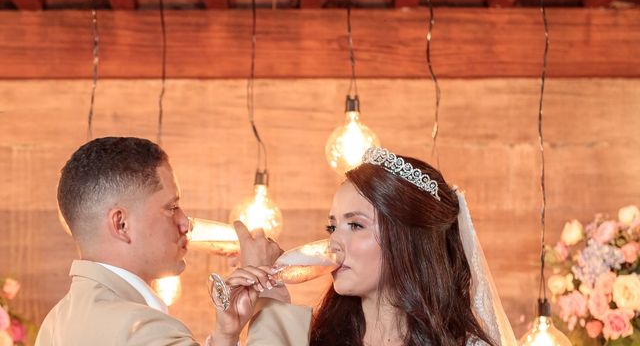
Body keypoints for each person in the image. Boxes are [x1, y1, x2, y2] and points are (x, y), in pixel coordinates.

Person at [35, 136, 306, 346]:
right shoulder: (140, 328)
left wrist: (225, 335)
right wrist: (269, 290)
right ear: (121, 224)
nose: (185, 222)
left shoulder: (55, 324)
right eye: (171, 207)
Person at [308, 146, 516, 346]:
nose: (333, 244)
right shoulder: (309, 337)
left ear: (407, 238)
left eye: (355, 225)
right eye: (332, 227)